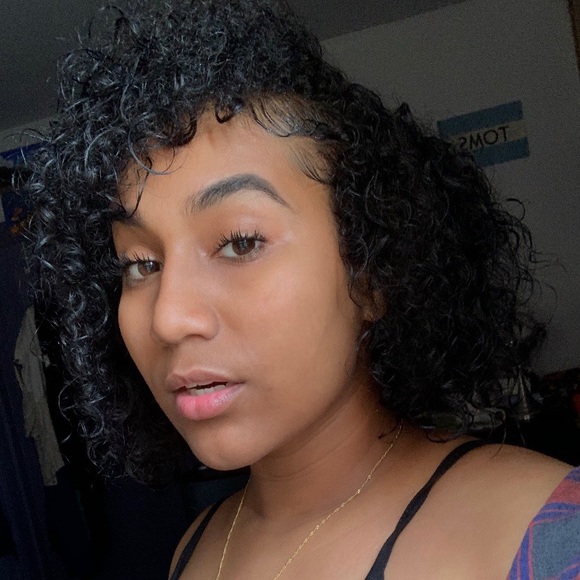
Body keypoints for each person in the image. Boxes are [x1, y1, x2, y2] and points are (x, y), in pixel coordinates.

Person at [29, 0, 579, 578]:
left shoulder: (546, 537)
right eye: (140, 264)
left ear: (373, 270)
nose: (168, 317)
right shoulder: (196, 548)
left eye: (240, 242)